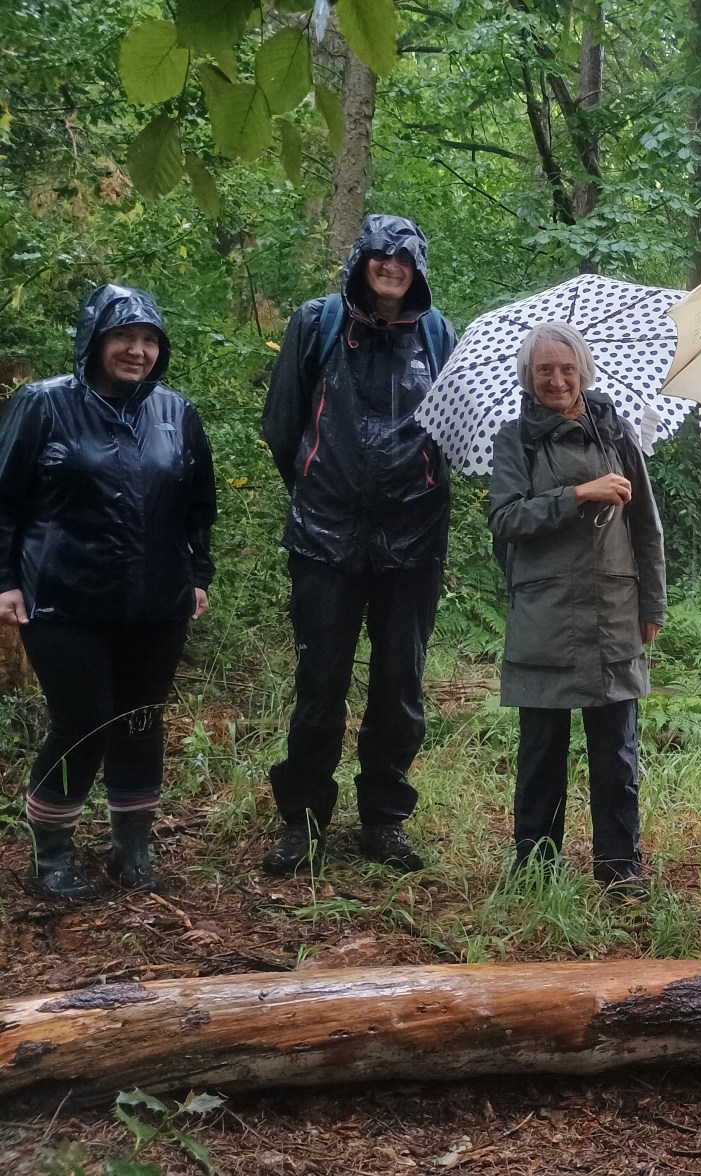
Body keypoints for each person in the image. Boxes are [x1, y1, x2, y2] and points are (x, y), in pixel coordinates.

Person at [0, 284, 215, 900]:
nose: (137, 351)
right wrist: (4, 582)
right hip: (63, 597)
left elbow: (199, 507)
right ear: (95, 340)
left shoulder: (177, 413)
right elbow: (5, 502)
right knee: (83, 720)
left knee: (142, 719)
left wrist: (198, 576)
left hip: (157, 600)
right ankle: (53, 853)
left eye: (150, 341)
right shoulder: (44, 405)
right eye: (124, 337)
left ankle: (132, 846)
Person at [260, 215, 456, 875]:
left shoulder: (437, 334)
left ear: (418, 270)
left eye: (404, 260)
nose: (391, 267)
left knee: (399, 684)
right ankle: (303, 820)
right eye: (380, 255)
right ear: (361, 260)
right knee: (320, 682)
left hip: (414, 537)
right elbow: (283, 424)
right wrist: (321, 486)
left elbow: (453, 432)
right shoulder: (315, 324)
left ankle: (385, 819)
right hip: (325, 536)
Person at [489, 321, 666, 889]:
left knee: (616, 751)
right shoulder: (515, 440)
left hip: (614, 610)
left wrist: (653, 604)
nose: (558, 380)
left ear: (583, 372)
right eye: (545, 370)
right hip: (545, 615)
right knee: (543, 753)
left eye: (567, 369)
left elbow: (647, 527)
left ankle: (620, 869)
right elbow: (506, 519)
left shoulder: (616, 436)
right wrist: (577, 496)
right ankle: (536, 871)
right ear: (529, 377)